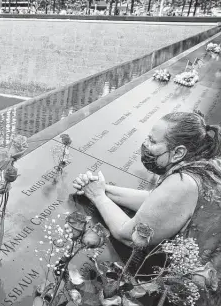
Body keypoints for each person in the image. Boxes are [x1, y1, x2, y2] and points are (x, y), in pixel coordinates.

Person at [73, 111, 221, 305]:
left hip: (190, 291)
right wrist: (104, 189)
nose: (145, 145)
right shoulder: (204, 164)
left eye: (152, 141)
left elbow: (129, 235)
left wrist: (97, 196)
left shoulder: (183, 183)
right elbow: (155, 201)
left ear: (178, 152)